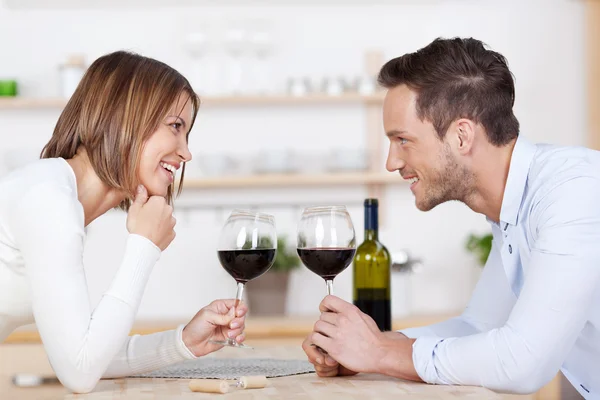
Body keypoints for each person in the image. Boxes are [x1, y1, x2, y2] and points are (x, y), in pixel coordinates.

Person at [302, 37, 600, 398]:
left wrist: (381, 354)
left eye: (403, 140)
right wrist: (369, 347)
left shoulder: (572, 192)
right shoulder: (516, 206)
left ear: (461, 136)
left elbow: (524, 362)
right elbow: (478, 327)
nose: (392, 162)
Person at [0, 51, 248, 393]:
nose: (186, 152)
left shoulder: (57, 198)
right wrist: (144, 246)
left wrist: (184, 341)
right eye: (176, 127)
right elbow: (80, 372)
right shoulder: (48, 198)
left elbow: (85, 353)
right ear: (124, 118)